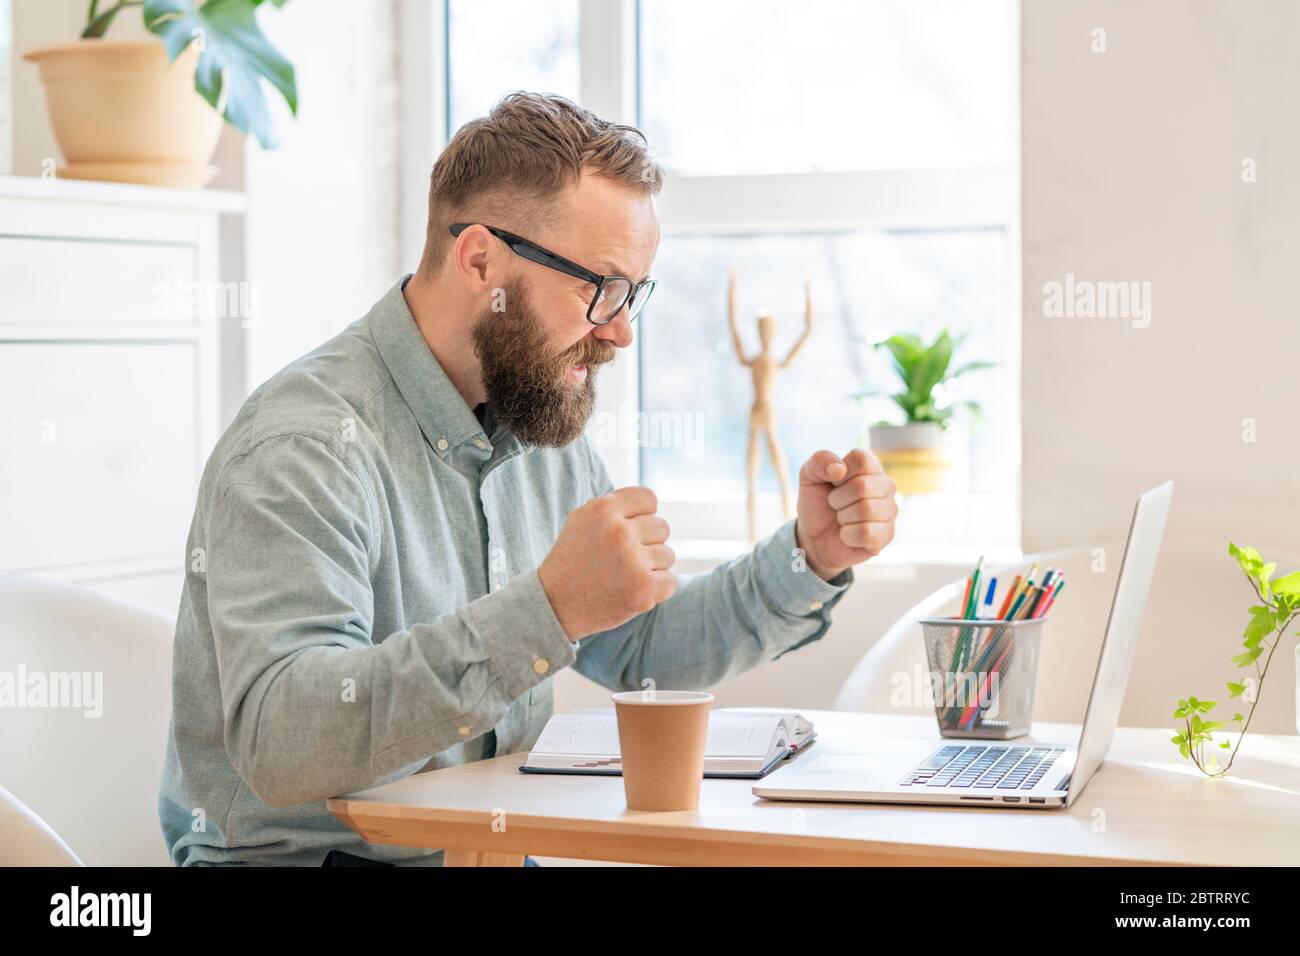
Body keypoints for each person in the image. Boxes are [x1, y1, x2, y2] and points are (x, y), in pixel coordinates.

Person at [158, 92, 898, 866]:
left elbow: (637, 651)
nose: (620, 331)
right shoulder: (306, 443)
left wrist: (808, 558)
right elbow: (284, 741)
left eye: (633, 293)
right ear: (480, 260)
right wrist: (548, 608)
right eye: (599, 288)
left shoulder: (536, 416)